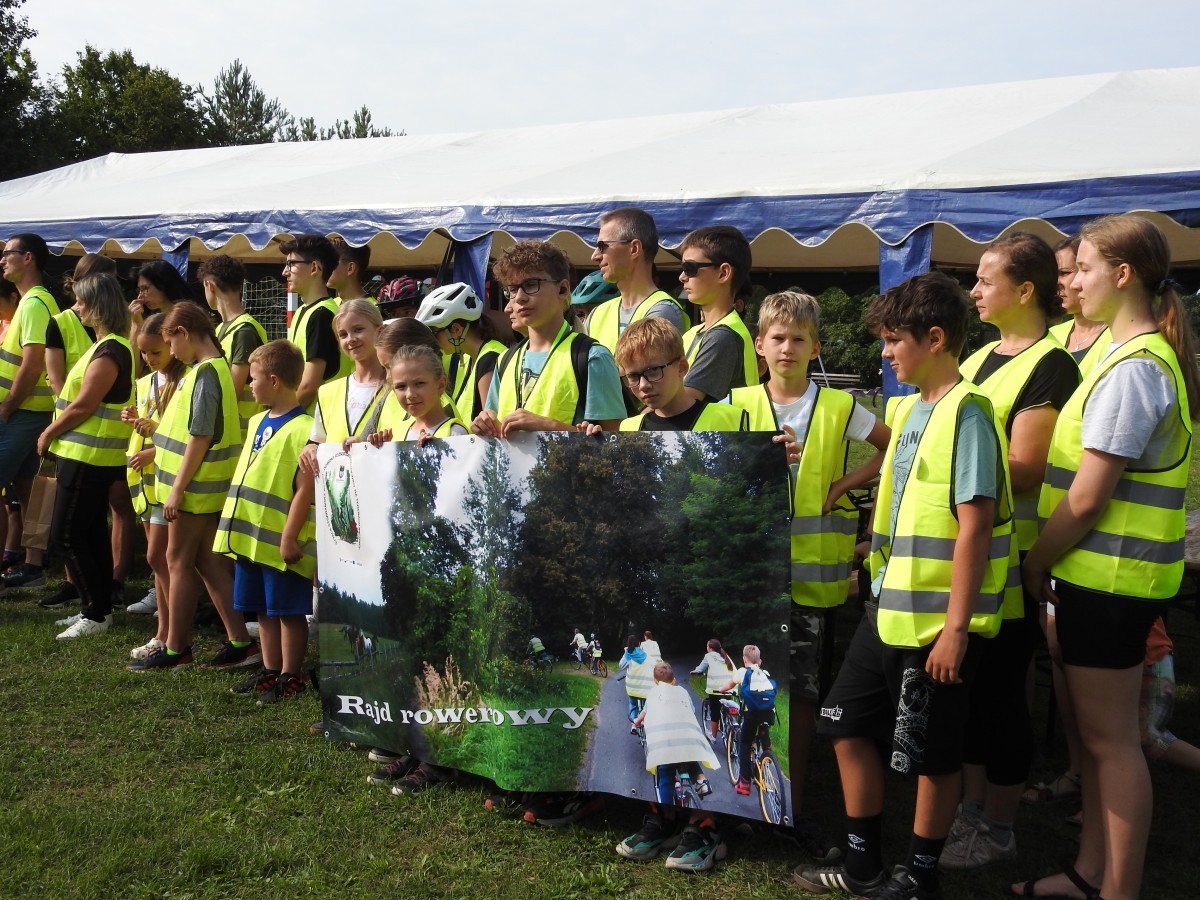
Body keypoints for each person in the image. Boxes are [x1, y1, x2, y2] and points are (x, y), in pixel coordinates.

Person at [796, 271, 1017, 900]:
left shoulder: (967, 412)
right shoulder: (907, 408)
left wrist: (956, 632)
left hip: (935, 626)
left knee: (930, 754)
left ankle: (920, 878)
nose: (886, 353)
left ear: (935, 338)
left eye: (895, 340)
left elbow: (975, 527)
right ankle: (862, 865)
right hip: (887, 612)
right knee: (843, 723)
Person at [1017, 214, 1199, 900]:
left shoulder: (1135, 367)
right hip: (1100, 578)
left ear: (1123, 276)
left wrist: (1036, 560)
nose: (1072, 282)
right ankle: (1089, 872)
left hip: (1109, 581)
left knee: (1113, 745)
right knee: (1099, 743)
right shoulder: (1123, 356)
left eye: (1085, 268)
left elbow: (1089, 497)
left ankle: (1115, 889)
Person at [941, 233, 1081, 871]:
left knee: (1000, 697)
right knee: (973, 693)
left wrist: (951, 470)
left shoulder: (1051, 365)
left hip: (1010, 557)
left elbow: (1025, 468)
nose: (973, 291)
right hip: (969, 553)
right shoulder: (977, 358)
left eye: (985, 279)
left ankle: (998, 826)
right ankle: (972, 812)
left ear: (1025, 291)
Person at [731, 289, 889, 855]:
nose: (788, 348)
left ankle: (791, 800)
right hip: (752, 569)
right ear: (760, 345)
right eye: (778, 338)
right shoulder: (736, 403)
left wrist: (843, 486)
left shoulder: (840, 406)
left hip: (811, 580)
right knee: (749, 685)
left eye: (799, 339)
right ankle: (745, 794)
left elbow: (891, 447)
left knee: (800, 692)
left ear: (815, 347)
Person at [127, 302, 253, 672]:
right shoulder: (209, 369)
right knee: (207, 562)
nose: (171, 351)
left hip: (195, 487)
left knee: (176, 559)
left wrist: (178, 488)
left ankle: (177, 648)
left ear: (183, 333)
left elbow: (200, 435)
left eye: (170, 342)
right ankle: (241, 642)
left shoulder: (205, 373)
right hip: (203, 484)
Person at [214, 340, 316, 705]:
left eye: (253, 378)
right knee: (262, 608)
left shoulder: (305, 428)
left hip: (281, 542)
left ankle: (291, 675)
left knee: (287, 611)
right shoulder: (257, 420)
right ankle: (271, 670)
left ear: (274, 380)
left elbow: (305, 489)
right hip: (250, 538)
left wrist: (289, 536)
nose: (248, 385)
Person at [32, 273, 133, 638]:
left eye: (81, 302)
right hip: (89, 455)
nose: (76, 308)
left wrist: (48, 432)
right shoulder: (106, 346)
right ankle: (97, 608)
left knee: (66, 536)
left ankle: (95, 612)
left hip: (88, 457)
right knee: (89, 534)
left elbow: (84, 404)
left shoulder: (110, 350)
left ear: (98, 306)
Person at [471, 240, 625, 437]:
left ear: (563, 289)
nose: (519, 298)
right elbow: (495, 433)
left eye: (530, 285)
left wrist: (548, 426)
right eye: (513, 289)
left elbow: (617, 443)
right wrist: (483, 427)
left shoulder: (593, 357)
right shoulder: (505, 360)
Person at [0, 233, 62, 590]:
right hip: (28, 412)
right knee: (27, 489)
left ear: (28, 258)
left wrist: (8, 404)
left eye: (7, 253)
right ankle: (32, 565)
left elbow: (33, 362)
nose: (1, 259)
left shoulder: (35, 303)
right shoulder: (31, 301)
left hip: (22, 412)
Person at [121, 311, 186, 649]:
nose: (148, 358)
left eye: (155, 351)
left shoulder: (185, 380)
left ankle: (174, 632)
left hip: (168, 479)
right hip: (145, 484)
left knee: (158, 558)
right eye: (143, 352)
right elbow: (149, 423)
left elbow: (187, 436)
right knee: (157, 560)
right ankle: (163, 630)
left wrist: (155, 451)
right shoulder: (146, 381)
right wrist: (134, 419)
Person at [620, 661, 720, 872]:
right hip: (687, 738)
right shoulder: (682, 691)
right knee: (688, 754)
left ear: (654, 681)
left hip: (664, 744)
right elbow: (690, 710)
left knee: (665, 774)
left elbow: (643, 716)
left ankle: (666, 815)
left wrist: (635, 723)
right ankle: (700, 780)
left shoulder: (652, 694)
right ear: (674, 680)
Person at [600, 317, 747, 434]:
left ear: (681, 367)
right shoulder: (628, 428)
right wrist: (594, 444)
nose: (643, 385)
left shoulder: (730, 420)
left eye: (653, 370)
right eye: (633, 376)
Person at [300, 300, 390, 473]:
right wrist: (310, 448)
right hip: (337, 486)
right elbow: (318, 441)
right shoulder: (327, 392)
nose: (351, 339)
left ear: (380, 332)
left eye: (358, 329)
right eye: (343, 334)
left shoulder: (398, 388)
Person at [586, 207, 690, 353]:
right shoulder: (597, 313)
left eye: (602, 246)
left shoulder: (663, 311)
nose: (594, 256)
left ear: (634, 249)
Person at [677, 225, 759, 403]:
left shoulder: (723, 336)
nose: (682, 277)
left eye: (690, 267)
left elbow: (679, 406)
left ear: (723, 273)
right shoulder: (694, 333)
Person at [416, 282, 508, 421]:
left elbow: (492, 424)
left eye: (435, 334)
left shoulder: (489, 359)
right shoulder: (466, 357)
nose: (434, 341)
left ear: (456, 329)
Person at [282, 234, 350, 410]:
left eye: (291, 264)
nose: (285, 272)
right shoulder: (304, 311)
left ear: (314, 268)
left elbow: (308, 386)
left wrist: (283, 414)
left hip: (320, 421)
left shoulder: (322, 315)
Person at [201, 254, 266, 433]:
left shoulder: (244, 331)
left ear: (210, 286)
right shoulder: (220, 329)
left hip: (240, 434)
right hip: (226, 432)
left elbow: (231, 395)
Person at [366, 345, 468, 445]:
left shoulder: (455, 432)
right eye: (401, 386)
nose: (410, 394)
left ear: (441, 385)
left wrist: (437, 451)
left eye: (419, 383)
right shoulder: (395, 434)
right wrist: (382, 449)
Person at [717, 645, 778, 798]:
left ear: (744, 659)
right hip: (768, 714)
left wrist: (721, 690)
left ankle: (744, 782)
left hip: (752, 715)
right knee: (763, 728)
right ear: (760, 661)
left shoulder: (742, 672)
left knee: (744, 744)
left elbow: (729, 686)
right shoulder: (765, 673)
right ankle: (766, 749)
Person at [1050, 235, 1109, 374]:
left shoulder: (1118, 337)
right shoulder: (1052, 335)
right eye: (1053, 275)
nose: (1056, 283)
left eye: (1064, 273)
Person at [128, 259, 193, 351]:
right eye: (139, 290)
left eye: (145, 288)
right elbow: (133, 358)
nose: (140, 296)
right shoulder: (150, 320)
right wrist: (137, 325)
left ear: (163, 284)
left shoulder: (190, 319)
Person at [691, 638, 736, 739]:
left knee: (714, 713)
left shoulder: (709, 656)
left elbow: (700, 669)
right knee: (727, 706)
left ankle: (714, 736)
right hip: (729, 689)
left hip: (716, 690)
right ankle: (729, 727)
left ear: (710, 648)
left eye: (707, 646)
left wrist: (694, 672)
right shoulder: (726, 656)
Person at [327, 238, 372, 307]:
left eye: (330, 262)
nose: (325, 267)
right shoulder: (331, 305)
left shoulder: (372, 309)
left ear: (350, 268)